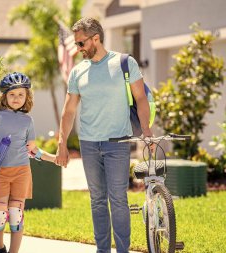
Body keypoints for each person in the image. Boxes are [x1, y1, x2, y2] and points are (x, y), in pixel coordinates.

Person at [55, 17, 153, 253]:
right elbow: (69, 111)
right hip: (89, 144)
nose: (78, 49)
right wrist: (62, 144)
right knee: (97, 199)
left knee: (118, 198)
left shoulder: (124, 63)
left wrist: (147, 132)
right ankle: (102, 250)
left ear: (95, 38)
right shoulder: (79, 71)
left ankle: (122, 250)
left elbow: (140, 99)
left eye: (81, 44)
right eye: (76, 44)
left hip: (117, 143)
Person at [0, 72, 56, 253]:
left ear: (27, 97)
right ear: (4, 96)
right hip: (1, 172)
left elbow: (33, 149)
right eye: (12, 94)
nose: (16, 98)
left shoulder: (27, 120)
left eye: (21, 94)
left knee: (16, 215)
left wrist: (54, 159)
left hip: (22, 171)